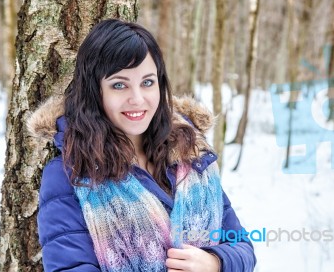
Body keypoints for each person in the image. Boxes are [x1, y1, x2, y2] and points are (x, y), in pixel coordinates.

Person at [28, 19, 256, 272]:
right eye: (119, 85)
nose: (137, 99)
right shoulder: (71, 172)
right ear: (95, 91)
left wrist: (216, 262)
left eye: (147, 82)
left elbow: (241, 244)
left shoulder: (191, 153)